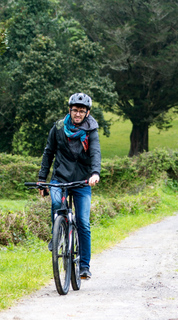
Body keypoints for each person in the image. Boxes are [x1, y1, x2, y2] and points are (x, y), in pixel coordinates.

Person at [38, 93, 100, 280]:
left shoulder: (91, 130)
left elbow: (95, 152)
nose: (78, 114)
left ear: (87, 112)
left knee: (83, 221)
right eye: (75, 110)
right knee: (57, 203)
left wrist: (95, 173)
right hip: (60, 178)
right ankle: (57, 235)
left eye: (82, 111)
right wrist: (42, 179)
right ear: (70, 110)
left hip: (82, 181)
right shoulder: (58, 128)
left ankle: (84, 267)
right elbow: (48, 153)